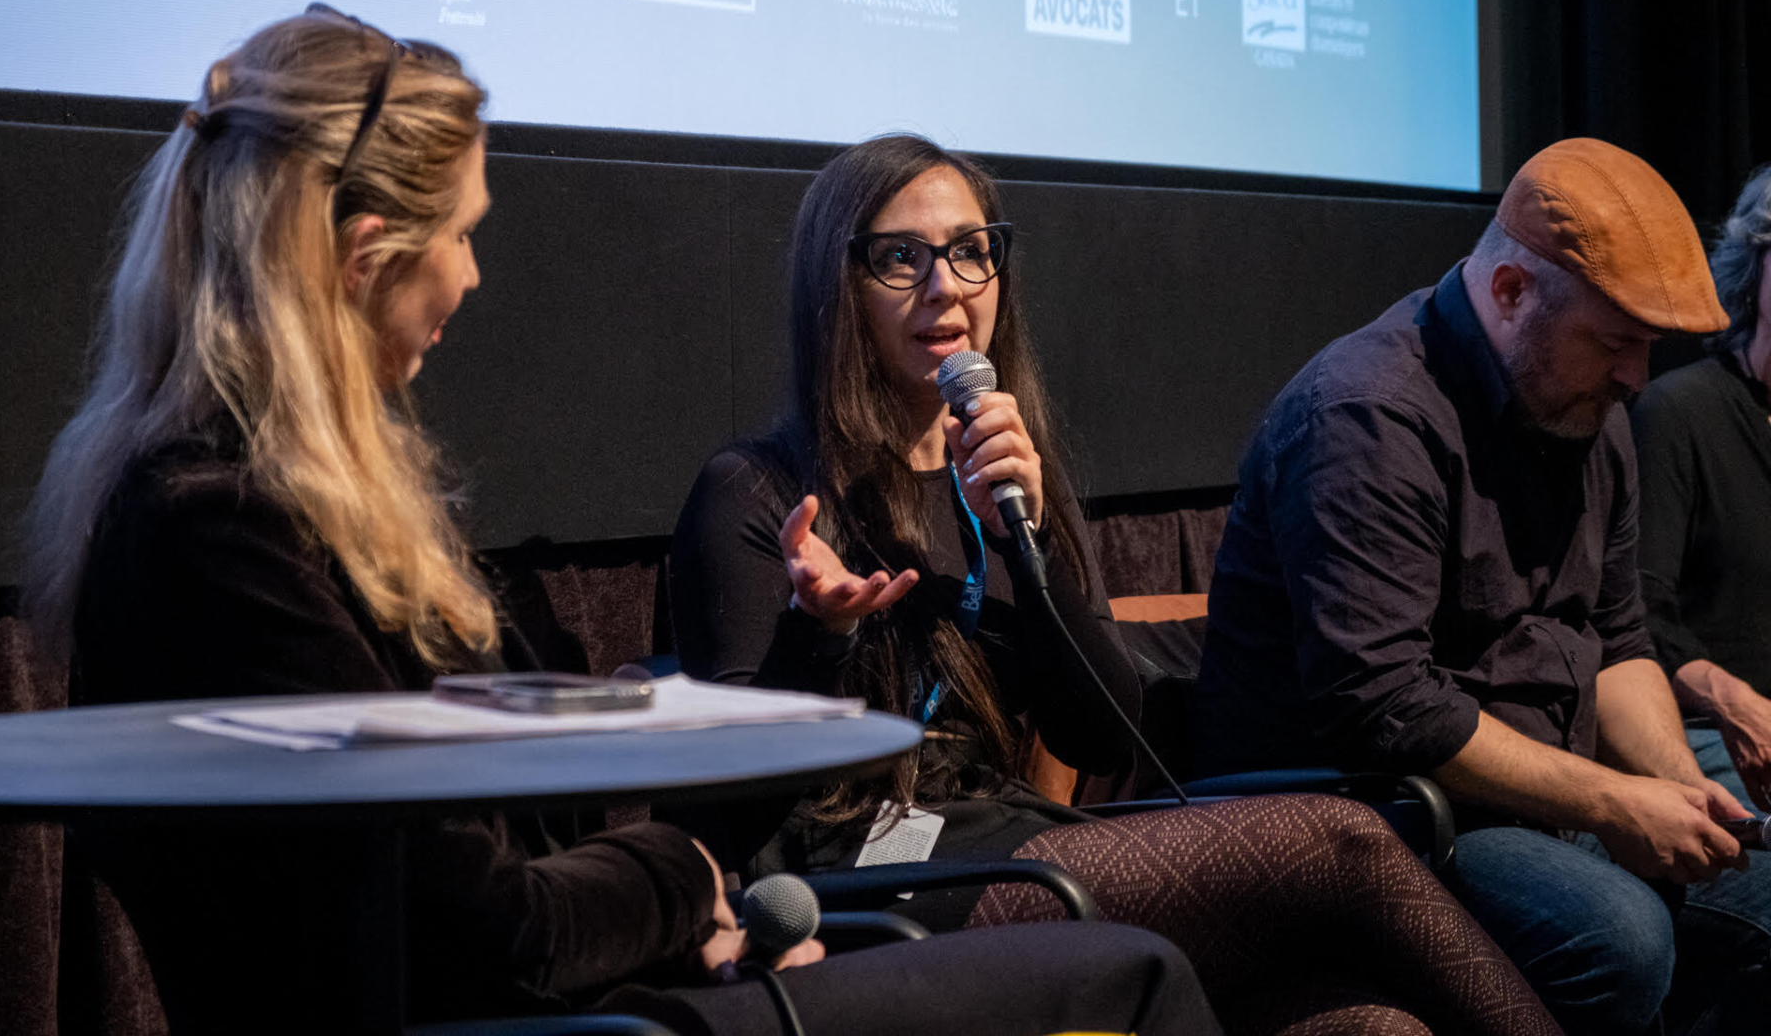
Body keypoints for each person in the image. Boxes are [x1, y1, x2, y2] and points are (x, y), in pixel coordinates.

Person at [20, 9, 1219, 1035]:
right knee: (1142, 972)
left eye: (971, 253)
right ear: (365, 254)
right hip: (558, 1020)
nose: (477, 276)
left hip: (595, 987)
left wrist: (682, 897)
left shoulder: (260, 511)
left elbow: (501, 890)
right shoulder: (225, 535)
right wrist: (688, 892)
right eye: (466, 233)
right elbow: (485, 928)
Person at [671, 132, 1560, 1036]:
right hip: (869, 886)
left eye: (972, 251)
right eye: (900, 258)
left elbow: (1100, 734)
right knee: (1344, 840)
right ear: (838, 286)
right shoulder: (758, 491)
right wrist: (817, 637)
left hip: (1008, 842)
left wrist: (1032, 542)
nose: (946, 286)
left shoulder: (1008, 475)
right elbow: (733, 815)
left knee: (1372, 1027)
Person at [1193, 137, 1771, 1035]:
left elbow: (1618, 641)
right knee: (1623, 937)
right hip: (1377, 811)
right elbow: (1386, 709)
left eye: (1648, 348)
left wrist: (1670, 787)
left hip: (1528, 785)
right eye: (1616, 342)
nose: (1636, 377)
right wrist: (1611, 799)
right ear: (1510, 294)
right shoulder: (1369, 414)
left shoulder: (1591, 409)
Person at [1632, 166, 1771, 814]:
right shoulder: (1679, 414)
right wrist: (1730, 699)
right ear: (1757, 266)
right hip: (1709, 732)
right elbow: (1637, 615)